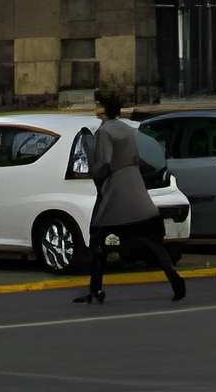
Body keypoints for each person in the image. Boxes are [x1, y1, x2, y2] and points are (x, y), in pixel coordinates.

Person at [76, 87, 184, 304]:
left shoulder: (104, 132)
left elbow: (105, 162)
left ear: (104, 108)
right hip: (136, 190)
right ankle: (174, 278)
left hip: (115, 194)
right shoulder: (126, 129)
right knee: (152, 241)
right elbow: (135, 157)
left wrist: (93, 171)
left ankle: (95, 290)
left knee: (97, 239)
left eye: (98, 104)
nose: (95, 108)